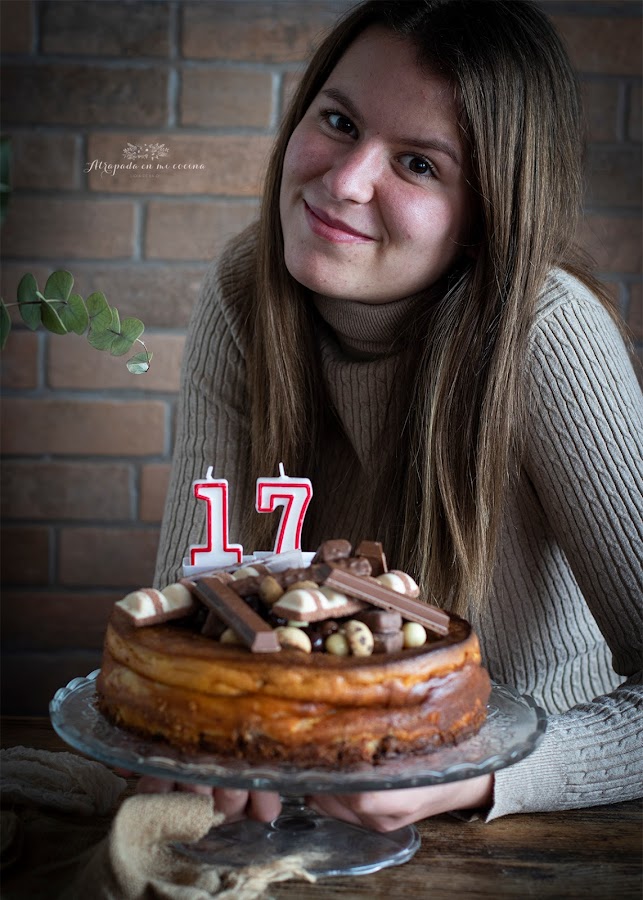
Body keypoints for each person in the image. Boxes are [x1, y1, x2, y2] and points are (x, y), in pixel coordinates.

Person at [144, 0, 642, 829]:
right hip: (303, 802)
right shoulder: (244, 291)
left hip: (537, 828)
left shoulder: (547, 334)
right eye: (338, 122)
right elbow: (188, 610)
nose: (345, 181)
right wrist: (199, 734)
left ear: (486, 215)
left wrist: (476, 775)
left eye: (417, 164)